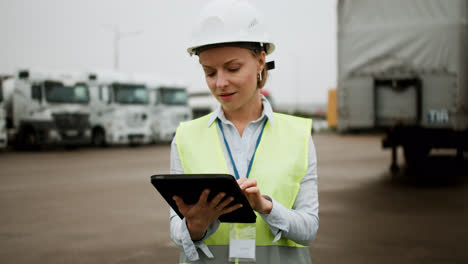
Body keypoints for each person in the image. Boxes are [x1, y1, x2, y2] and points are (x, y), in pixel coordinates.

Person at [169, 0, 319, 263]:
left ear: (261, 61)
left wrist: (267, 208)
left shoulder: (298, 134)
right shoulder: (185, 137)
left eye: (233, 68)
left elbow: (308, 229)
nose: (220, 83)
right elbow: (175, 229)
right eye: (209, 72)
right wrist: (196, 226)